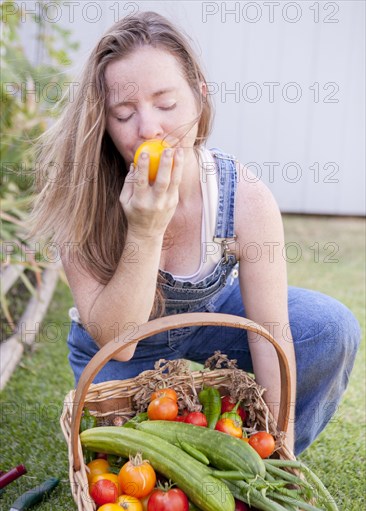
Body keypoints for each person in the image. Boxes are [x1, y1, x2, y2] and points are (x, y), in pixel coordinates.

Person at [29, 11, 360, 456]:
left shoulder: (243, 196)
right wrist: (144, 231)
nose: (149, 129)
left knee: (326, 327)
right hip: (119, 348)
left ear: (199, 99)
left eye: (166, 105)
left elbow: (270, 333)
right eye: (124, 113)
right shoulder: (82, 200)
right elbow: (118, 344)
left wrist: (276, 449)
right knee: (132, 455)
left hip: (210, 322)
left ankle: (260, 451)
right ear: (103, 123)